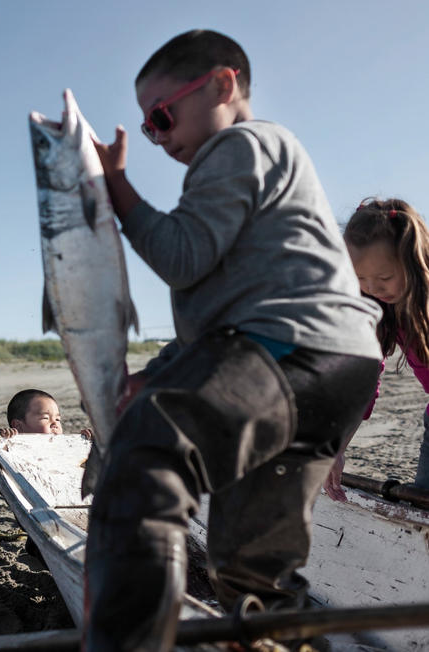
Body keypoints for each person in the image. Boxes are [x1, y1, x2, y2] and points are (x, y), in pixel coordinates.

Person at [87, 29, 382, 650]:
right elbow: (225, 311)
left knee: (148, 442)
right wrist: (166, 365)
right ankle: (280, 638)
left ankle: (130, 639)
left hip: (296, 352)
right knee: (251, 568)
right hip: (335, 369)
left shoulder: (240, 144)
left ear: (223, 85)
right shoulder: (256, 168)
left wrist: (116, 186)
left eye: (163, 116)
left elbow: (182, 256)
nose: (158, 137)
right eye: (147, 130)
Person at [324, 199, 429, 500]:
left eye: (384, 277)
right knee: (420, 508)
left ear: (411, 260)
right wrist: (338, 447)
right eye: (360, 278)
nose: (372, 287)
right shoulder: (377, 309)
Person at [0, 389, 91, 560]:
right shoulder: (12, 454)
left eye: (58, 419)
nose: (55, 424)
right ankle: (36, 549)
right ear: (18, 426)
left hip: (81, 519)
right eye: (46, 418)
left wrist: (91, 445)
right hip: (43, 526)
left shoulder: (64, 451)